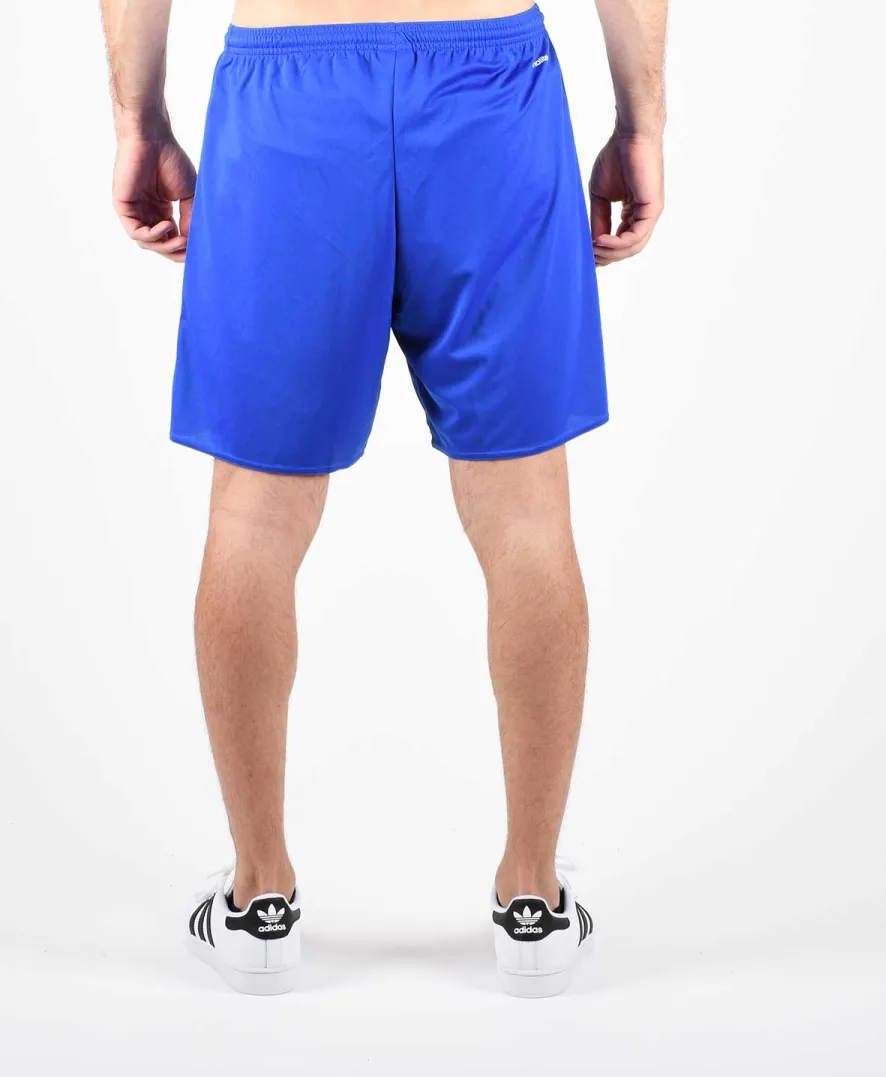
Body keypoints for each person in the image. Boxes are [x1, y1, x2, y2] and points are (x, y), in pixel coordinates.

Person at [101, 0, 666, 997]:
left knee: (253, 516)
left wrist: (136, 120)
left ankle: (258, 900)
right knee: (527, 512)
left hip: (288, 87)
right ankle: (533, 901)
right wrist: (644, 120)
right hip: (492, 88)